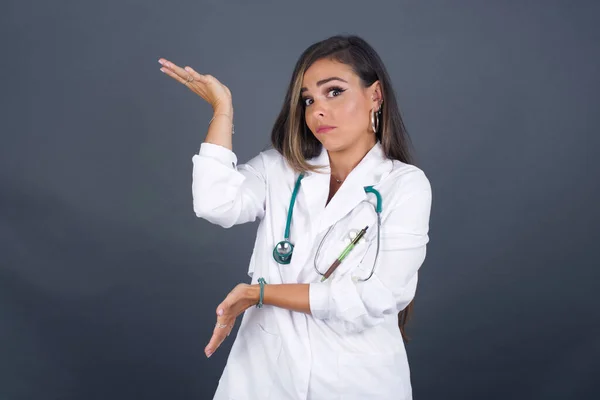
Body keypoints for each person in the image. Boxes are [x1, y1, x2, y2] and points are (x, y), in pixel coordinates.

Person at [159, 34, 432, 400]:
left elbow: (377, 296)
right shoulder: (281, 169)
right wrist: (222, 110)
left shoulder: (404, 185)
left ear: (375, 95)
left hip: (355, 383)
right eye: (308, 99)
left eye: (334, 91)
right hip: (262, 377)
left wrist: (262, 294)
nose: (318, 109)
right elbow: (215, 204)